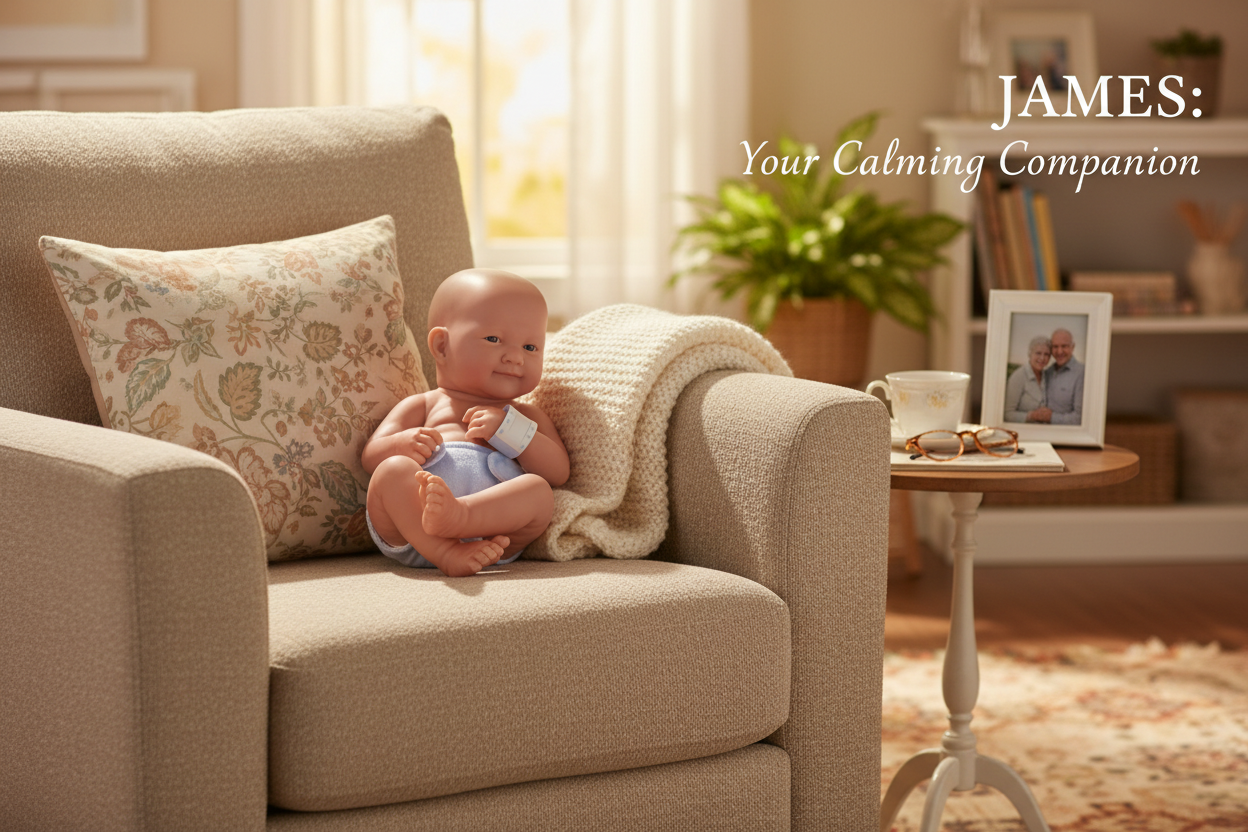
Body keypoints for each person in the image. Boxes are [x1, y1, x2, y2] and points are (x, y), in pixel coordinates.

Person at [361, 269, 570, 577]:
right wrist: (402, 445)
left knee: (539, 491)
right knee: (390, 472)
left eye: (530, 347)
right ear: (442, 346)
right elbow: (371, 456)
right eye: (494, 339)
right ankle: (445, 550)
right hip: (413, 528)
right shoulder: (425, 404)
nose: (515, 357)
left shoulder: (526, 417)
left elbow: (557, 473)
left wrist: (508, 430)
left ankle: (461, 518)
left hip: (493, 538)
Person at [1030, 327, 1084, 425]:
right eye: (1055, 346)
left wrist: (1051, 417)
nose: (1059, 351)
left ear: (1073, 347)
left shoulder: (1082, 373)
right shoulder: (1047, 372)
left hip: (1067, 437)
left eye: (1064, 346)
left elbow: (1081, 418)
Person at [1004, 335, 1050, 423]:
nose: (1042, 358)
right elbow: (1007, 414)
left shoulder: (1047, 376)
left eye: (1046, 354)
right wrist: (1032, 416)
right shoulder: (1018, 377)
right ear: (1030, 354)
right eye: (1038, 353)